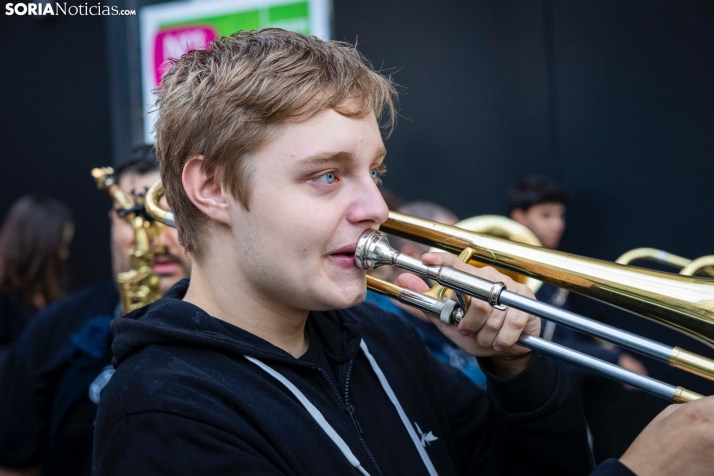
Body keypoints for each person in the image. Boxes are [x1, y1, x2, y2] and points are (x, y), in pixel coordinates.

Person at [88, 28, 708, 475]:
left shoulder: (379, 337)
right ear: (212, 188)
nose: (377, 209)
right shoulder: (163, 414)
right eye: (327, 175)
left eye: (373, 172)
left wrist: (517, 371)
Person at [0, 146, 191, 476]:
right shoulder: (53, 331)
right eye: (135, 215)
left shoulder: (242, 326)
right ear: (111, 222)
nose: (156, 239)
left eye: (170, 215)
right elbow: (15, 464)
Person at [507, 176, 648, 382]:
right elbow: (546, 342)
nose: (558, 224)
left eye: (560, 215)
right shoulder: (514, 271)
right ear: (519, 217)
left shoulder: (550, 264)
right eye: (546, 215)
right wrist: (615, 358)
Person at [365, 200, 487, 387]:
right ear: (412, 255)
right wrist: (496, 359)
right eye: (453, 248)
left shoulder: (458, 305)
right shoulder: (382, 327)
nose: (466, 258)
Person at [0, 194, 73, 354]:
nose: (64, 253)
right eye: (61, 244)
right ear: (39, 247)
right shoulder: (6, 299)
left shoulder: (52, 296)